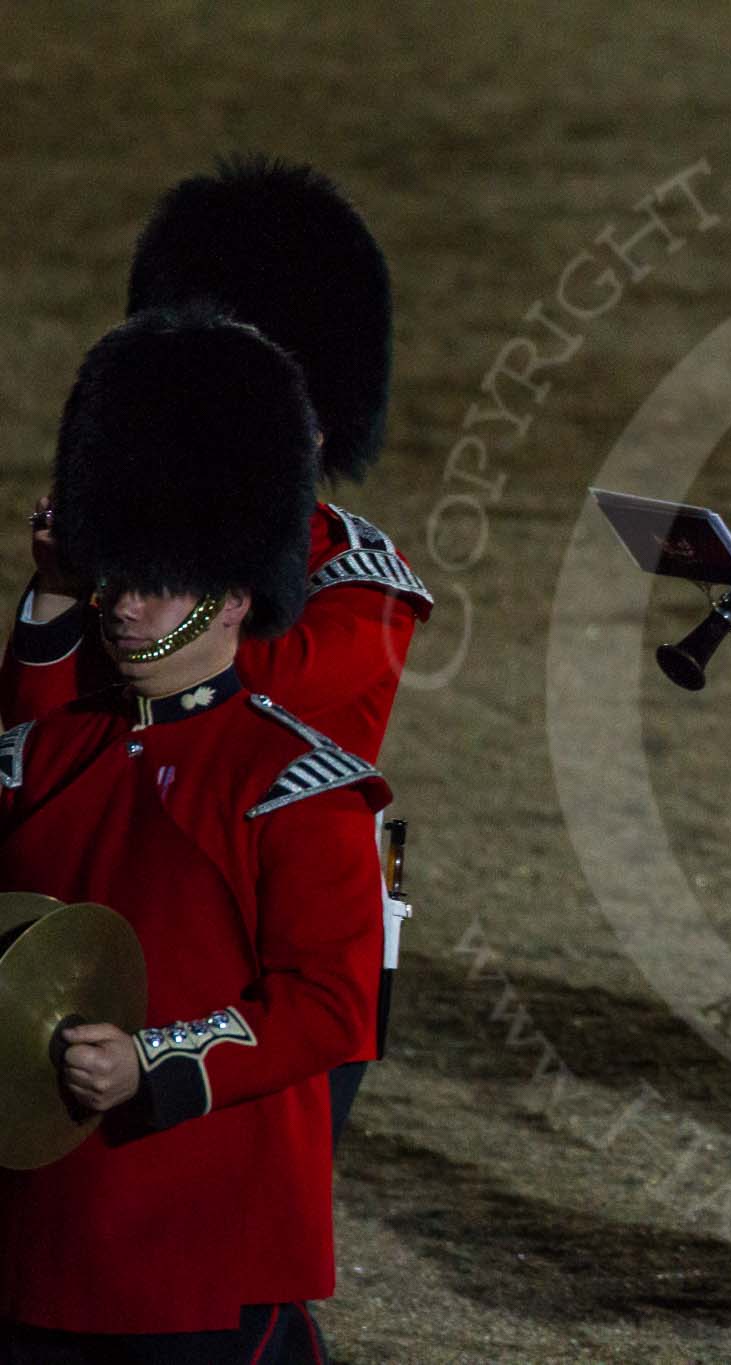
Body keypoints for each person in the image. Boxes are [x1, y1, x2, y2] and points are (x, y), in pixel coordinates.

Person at [0, 157, 433, 1138]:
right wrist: (62, 589)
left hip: (261, 949)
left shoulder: (360, 583)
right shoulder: (132, 573)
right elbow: (36, 754)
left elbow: (246, 705)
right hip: (104, 923)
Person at [0, 308, 388, 1362]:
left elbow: (330, 1006)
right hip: (36, 1243)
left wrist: (157, 1062)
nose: (121, 605)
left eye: (155, 579)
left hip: (202, 1254)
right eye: (117, 573)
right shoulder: (51, 751)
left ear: (231, 594)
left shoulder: (296, 786)